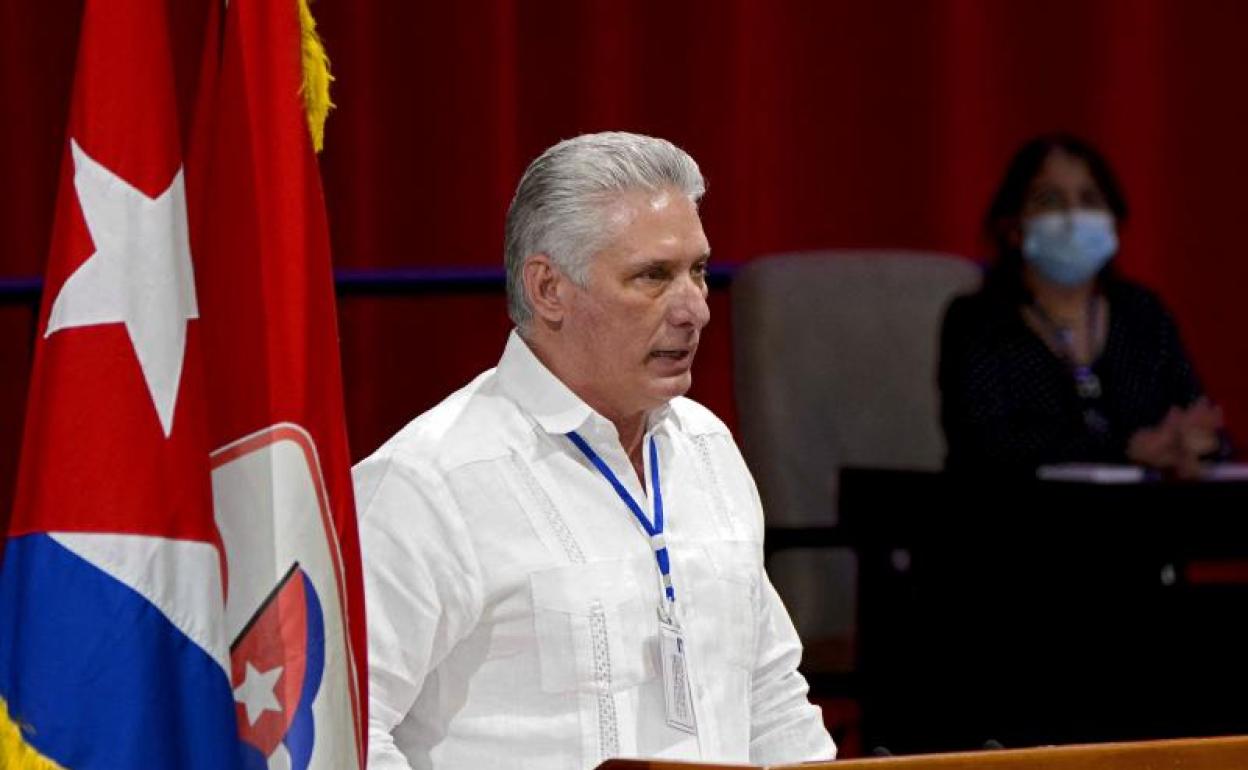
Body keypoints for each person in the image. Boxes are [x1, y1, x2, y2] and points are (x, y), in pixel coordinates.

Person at [355, 132, 836, 769]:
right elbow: (339, 733)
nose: (695, 309)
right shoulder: (427, 483)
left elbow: (770, 696)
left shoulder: (708, 448)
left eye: (697, 271)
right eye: (653, 276)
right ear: (549, 289)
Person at [939, 133, 1224, 477]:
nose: (1073, 215)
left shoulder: (1142, 314)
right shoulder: (976, 321)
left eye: (1089, 200)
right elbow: (987, 446)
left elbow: (1196, 415)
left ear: (1112, 221)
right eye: (1050, 200)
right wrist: (1127, 449)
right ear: (1013, 227)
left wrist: (1197, 443)